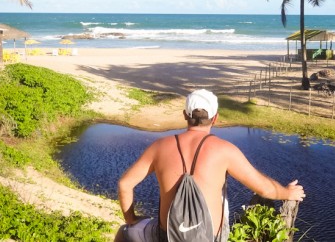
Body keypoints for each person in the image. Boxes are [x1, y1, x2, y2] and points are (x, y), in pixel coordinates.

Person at [115, 89, 306, 241]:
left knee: (124, 232)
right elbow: (265, 189)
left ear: (184, 115)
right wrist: (288, 192)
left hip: (166, 236)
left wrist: (131, 219)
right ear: (215, 118)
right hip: (211, 237)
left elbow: (125, 184)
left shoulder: (159, 147)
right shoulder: (225, 150)